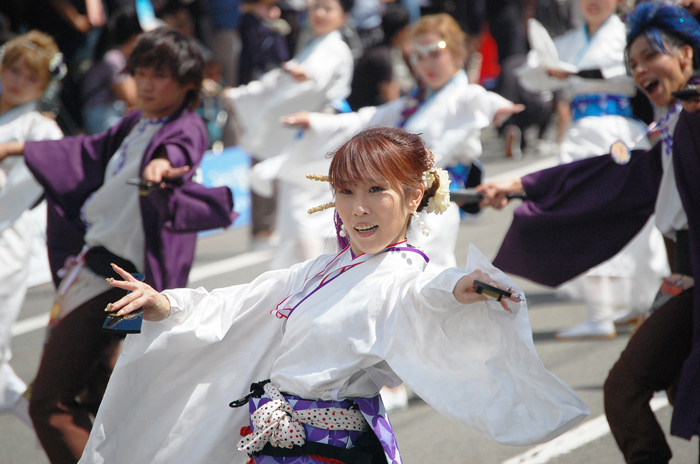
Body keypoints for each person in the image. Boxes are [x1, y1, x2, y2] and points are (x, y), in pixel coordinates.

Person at [78, 126, 589, 464]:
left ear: (414, 195)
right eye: (345, 191)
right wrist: (167, 304)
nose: (358, 209)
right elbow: (244, 302)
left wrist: (463, 288)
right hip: (277, 444)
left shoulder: (405, 273)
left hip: (331, 452)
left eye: (375, 191)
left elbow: (427, 292)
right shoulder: (326, 266)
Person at [0, 28, 236, 464]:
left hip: (122, 283)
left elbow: (180, 149)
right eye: (140, 72)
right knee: (105, 391)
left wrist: (163, 166)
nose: (145, 84)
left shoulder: (183, 126)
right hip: (105, 275)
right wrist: (14, 148)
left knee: (50, 404)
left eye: (158, 75)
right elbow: (85, 153)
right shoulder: (136, 121)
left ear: (187, 83)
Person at [476, 3, 700, 462]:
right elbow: (604, 173)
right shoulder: (668, 127)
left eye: (649, 57)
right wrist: (517, 184)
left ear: (685, 56)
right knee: (673, 386)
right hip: (684, 271)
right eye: (632, 63)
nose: (639, 70)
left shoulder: (693, 115)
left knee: (628, 387)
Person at [283, 13, 523, 272]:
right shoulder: (412, 103)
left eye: (435, 53)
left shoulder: (464, 96)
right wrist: (315, 121)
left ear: (456, 53)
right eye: (418, 56)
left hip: (434, 206)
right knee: (392, 272)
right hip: (403, 202)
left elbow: (482, 100)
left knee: (425, 271)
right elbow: (366, 119)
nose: (426, 63)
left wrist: (502, 108)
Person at [510, 0, 669, 340]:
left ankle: (636, 304)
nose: (593, 3)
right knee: (582, 215)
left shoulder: (629, 35)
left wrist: (578, 73)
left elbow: (642, 76)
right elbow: (535, 80)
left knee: (631, 216)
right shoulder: (566, 41)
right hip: (580, 134)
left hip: (618, 132)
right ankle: (599, 311)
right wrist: (548, 72)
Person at [224, 0, 355, 245]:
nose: (319, 14)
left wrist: (306, 78)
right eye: (316, 7)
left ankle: (317, 268)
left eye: (328, 8)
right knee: (301, 203)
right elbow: (281, 80)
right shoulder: (313, 45)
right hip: (306, 128)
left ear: (343, 16)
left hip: (325, 127)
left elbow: (315, 80)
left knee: (308, 203)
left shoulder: (335, 47)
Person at [0, 30, 65, 428]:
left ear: (43, 86)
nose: (16, 80)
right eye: (12, 69)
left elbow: (50, 166)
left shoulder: (39, 129)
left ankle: (63, 434)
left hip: (5, 243)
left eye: (30, 76)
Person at [80, 7, 141, 134]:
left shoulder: (123, 57)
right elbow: (132, 98)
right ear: (134, 36)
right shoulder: (114, 59)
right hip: (100, 113)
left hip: (112, 111)